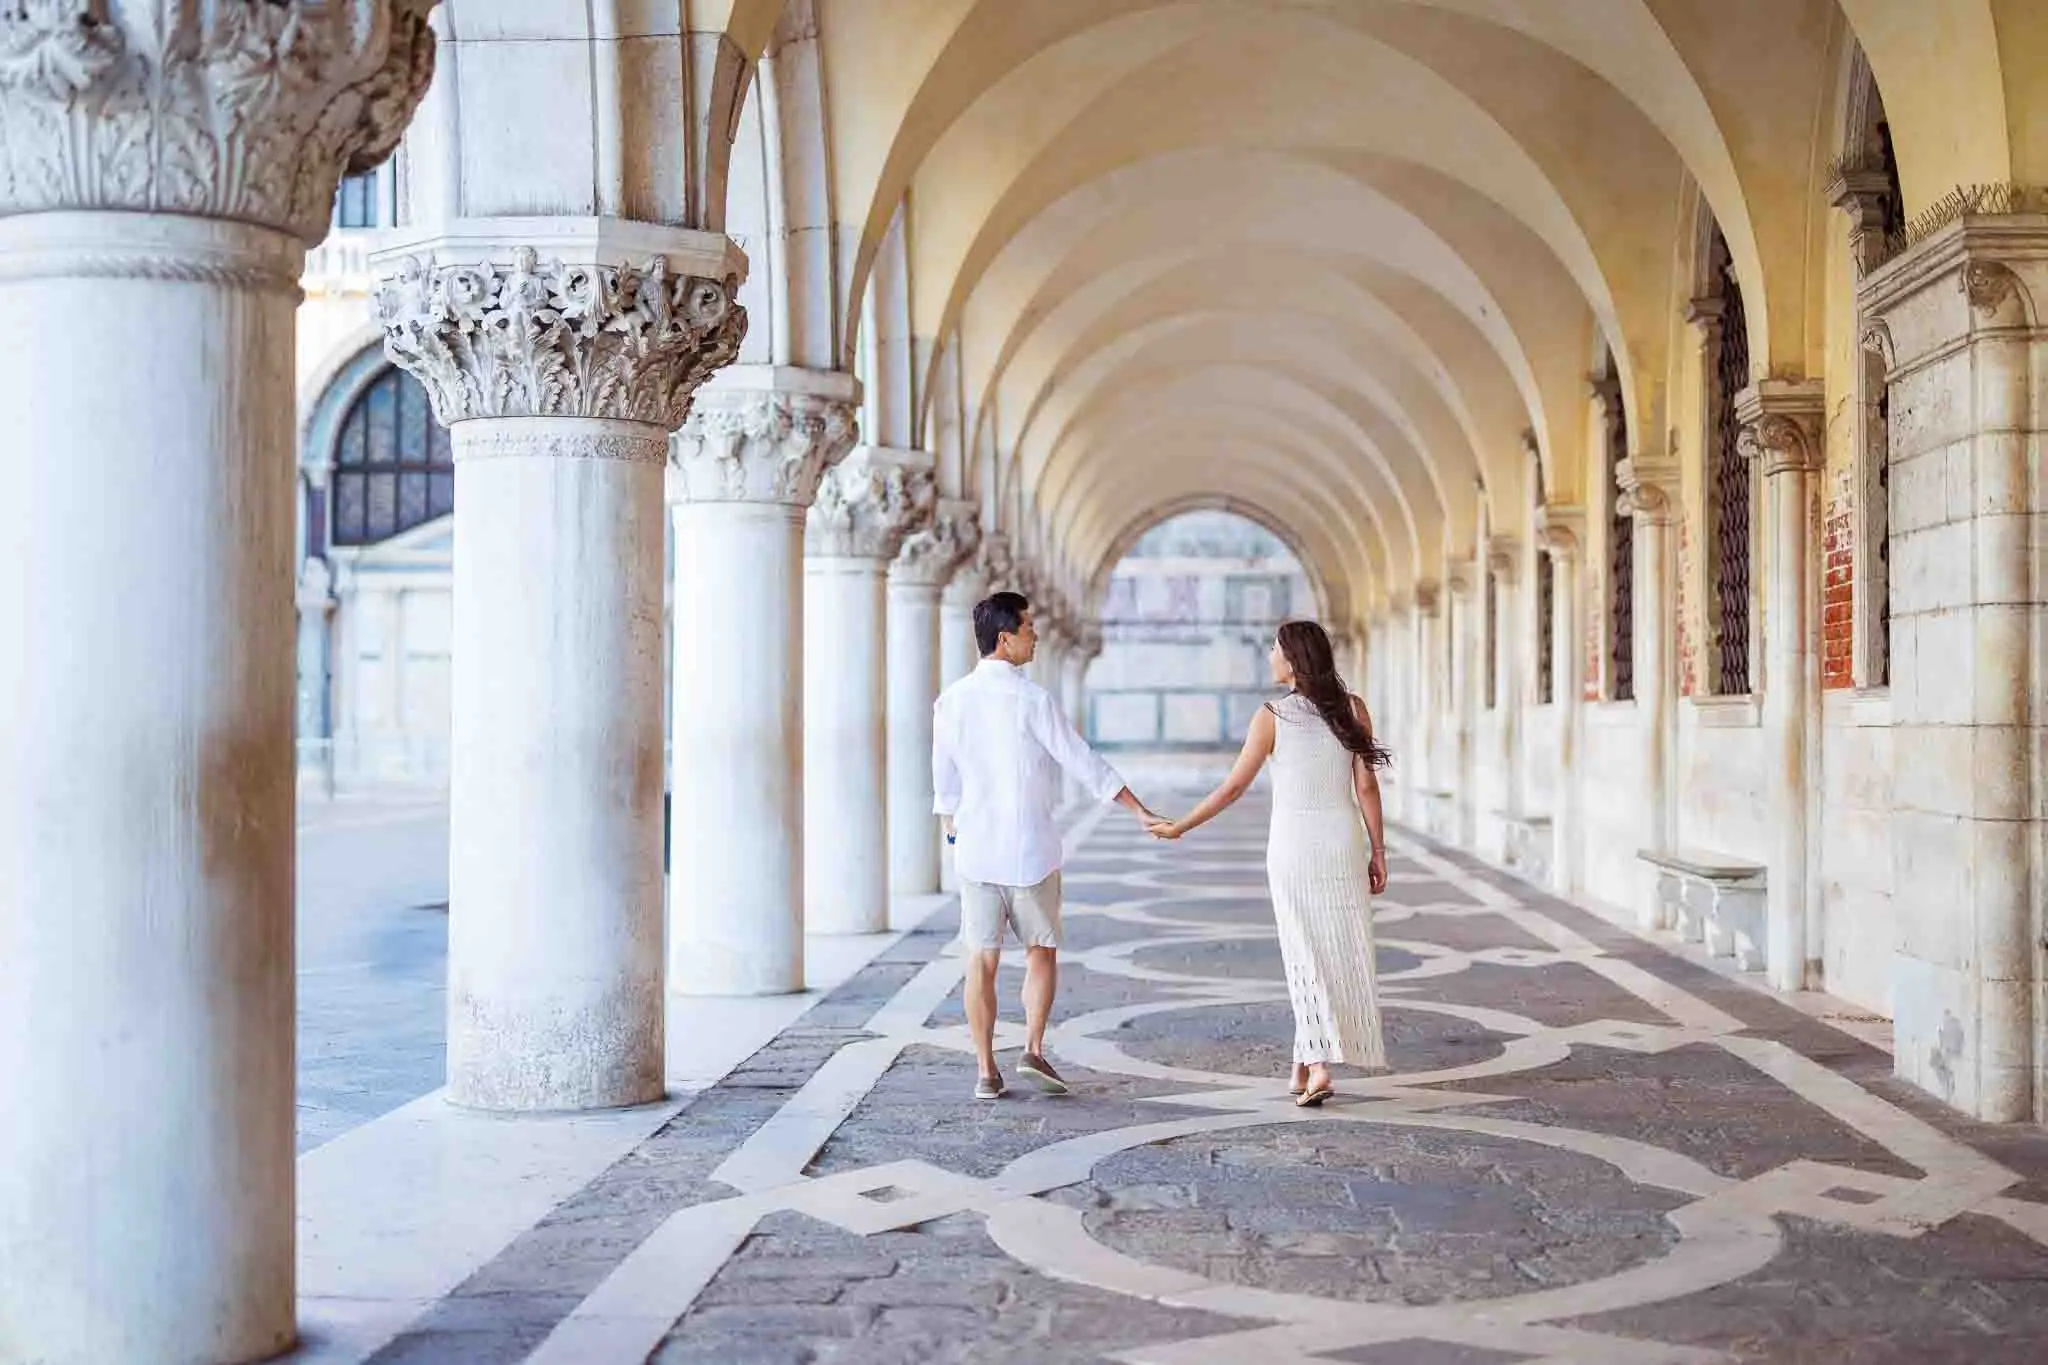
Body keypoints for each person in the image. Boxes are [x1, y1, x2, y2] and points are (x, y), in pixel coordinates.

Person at [1147, 620, 1392, 1107]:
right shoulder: (1353, 710)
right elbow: (1366, 786)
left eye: (1275, 649)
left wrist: (1182, 826)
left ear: (1294, 660)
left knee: (1305, 952)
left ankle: (1320, 1065)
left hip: (1295, 846)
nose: (1269, 656)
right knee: (1334, 949)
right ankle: (1302, 1063)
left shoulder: (1272, 716)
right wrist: (1378, 850)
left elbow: (1233, 788)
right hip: (1342, 842)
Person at [933, 591, 1161, 1100]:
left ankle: (986, 1071)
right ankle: (1033, 1048)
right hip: (1030, 850)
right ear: (1005, 638)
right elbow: (1079, 759)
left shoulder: (951, 701)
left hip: (976, 851)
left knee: (981, 960)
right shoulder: (1031, 700)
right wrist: (1136, 808)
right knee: (1041, 951)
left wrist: (955, 832)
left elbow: (943, 785)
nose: (1036, 635)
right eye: (1029, 628)